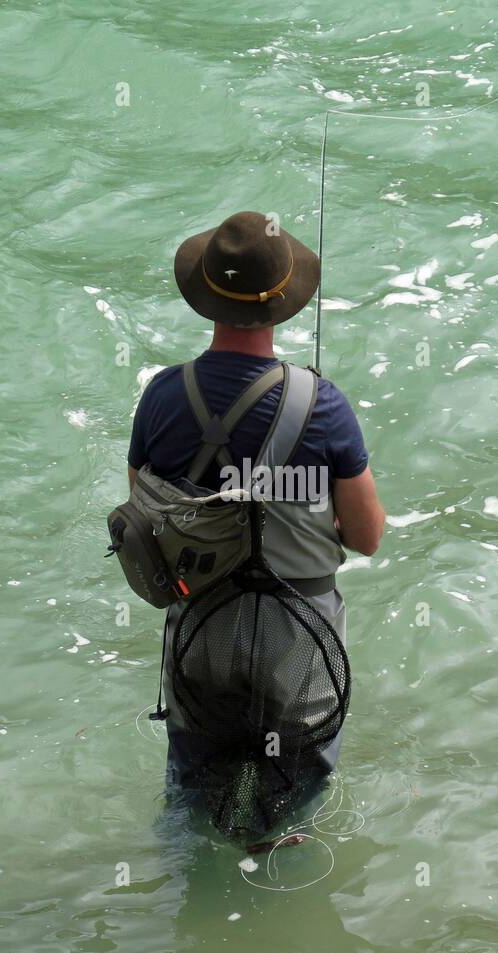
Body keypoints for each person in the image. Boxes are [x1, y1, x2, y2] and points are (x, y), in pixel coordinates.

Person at [128, 210, 384, 793]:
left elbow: (146, 517)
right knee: (294, 795)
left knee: (193, 795)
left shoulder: (163, 397)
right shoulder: (323, 406)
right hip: (298, 647)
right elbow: (367, 535)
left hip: (201, 641)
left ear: (206, 297)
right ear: (281, 304)